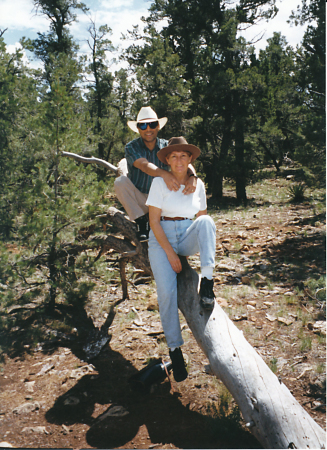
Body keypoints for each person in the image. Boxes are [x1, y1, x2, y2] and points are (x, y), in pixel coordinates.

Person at [145, 137, 216, 382]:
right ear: (166, 160)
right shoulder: (159, 183)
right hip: (161, 236)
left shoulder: (198, 184)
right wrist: (170, 253)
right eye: (173, 156)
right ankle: (175, 350)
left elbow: (202, 220)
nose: (178, 160)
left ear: (190, 159)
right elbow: (153, 222)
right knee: (166, 292)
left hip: (186, 234)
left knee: (207, 221)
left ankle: (207, 283)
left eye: (183, 156)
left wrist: (183, 251)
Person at [114, 107, 197, 241]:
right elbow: (143, 165)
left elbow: (184, 161)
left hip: (162, 200)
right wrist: (164, 174)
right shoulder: (131, 147)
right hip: (140, 198)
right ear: (138, 128)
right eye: (143, 125)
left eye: (152, 124)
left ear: (158, 126)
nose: (148, 129)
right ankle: (142, 223)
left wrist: (193, 177)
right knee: (120, 182)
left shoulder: (167, 146)